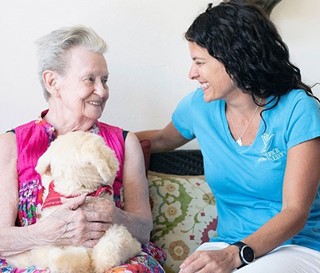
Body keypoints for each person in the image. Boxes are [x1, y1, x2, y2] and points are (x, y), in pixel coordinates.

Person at [136, 1, 320, 272]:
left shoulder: (298, 109)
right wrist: (100, 139)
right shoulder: (199, 106)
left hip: (297, 245)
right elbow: (161, 140)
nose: (192, 73)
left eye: (200, 62)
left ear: (235, 58)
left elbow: (295, 213)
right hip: (226, 244)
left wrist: (235, 256)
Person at [0, 26, 165, 273]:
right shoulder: (13, 143)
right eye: (90, 79)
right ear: (52, 81)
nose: (102, 91)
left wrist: (115, 215)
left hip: (112, 263)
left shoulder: (124, 141)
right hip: (43, 264)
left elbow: (143, 229)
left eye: (105, 80)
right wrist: (46, 233)